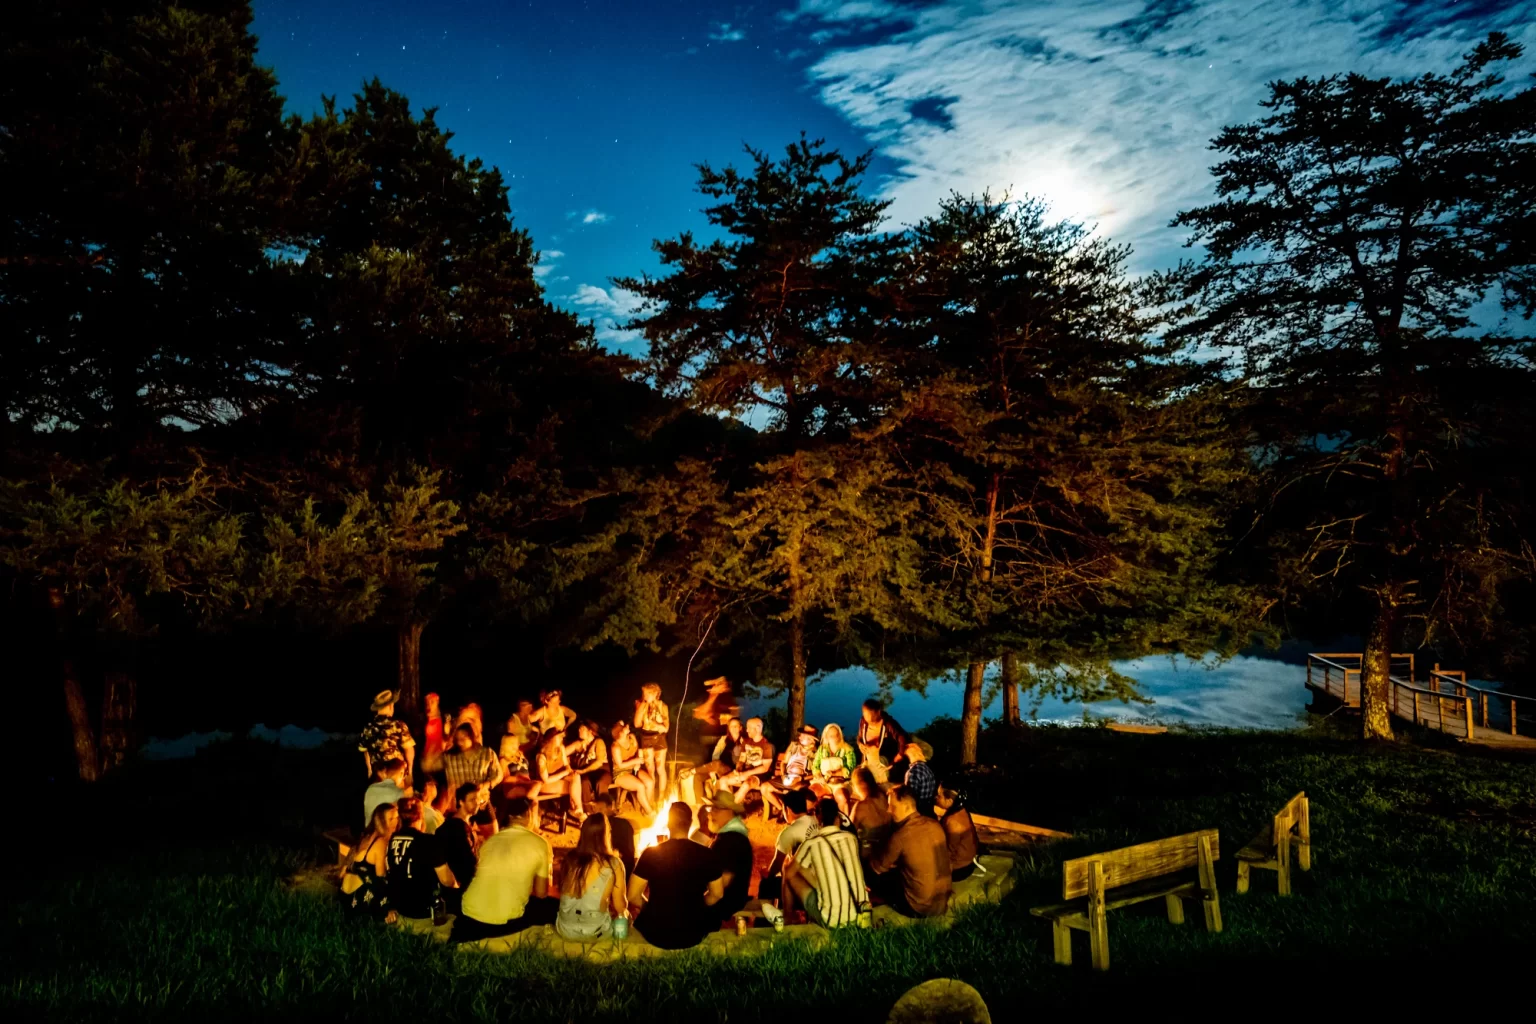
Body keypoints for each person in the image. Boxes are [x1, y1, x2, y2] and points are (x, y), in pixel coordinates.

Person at [452, 797, 559, 943]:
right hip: (503, 921)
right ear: (529, 814)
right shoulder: (540, 843)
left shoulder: (490, 841)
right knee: (554, 906)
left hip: (469, 913)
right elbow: (541, 893)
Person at [629, 802, 726, 950]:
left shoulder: (651, 854)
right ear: (690, 823)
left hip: (657, 932)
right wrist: (698, 905)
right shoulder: (707, 854)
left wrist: (650, 908)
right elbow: (717, 894)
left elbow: (632, 895)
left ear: (668, 824)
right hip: (693, 932)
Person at [869, 785, 952, 918]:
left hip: (919, 908)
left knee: (874, 876)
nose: (888, 810)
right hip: (942, 902)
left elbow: (878, 867)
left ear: (906, 807)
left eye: (892, 806)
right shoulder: (935, 824)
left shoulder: (901, 836)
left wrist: (871, 850)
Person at [784, 797, 867, 928]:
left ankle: (787, 917)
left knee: (790, 869)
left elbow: (789, 874)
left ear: (818, 819)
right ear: (838, 817)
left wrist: (791, 862)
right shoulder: (852, 839)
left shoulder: (811, 844)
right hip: (860, 914)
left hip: (831, 921)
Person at [555, 813, 629, 941]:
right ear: (606, 835)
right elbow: (620, 906)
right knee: (623, 916)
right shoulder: (614, 864)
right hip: (596, 932)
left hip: (565, 929)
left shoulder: (569, 859)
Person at [386, 797, 458, 921]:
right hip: (423, 910)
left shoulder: (393, 840)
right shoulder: (429, 841)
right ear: (421, 816)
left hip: (401, 907)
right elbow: (447, 880)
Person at [703, 790, 754, 924]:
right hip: (733, 897)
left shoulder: (729, 841)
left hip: (726, 902)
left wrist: (700, 903)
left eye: (716, 809)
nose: (711, 814)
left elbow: (722, 885)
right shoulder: (732, 835)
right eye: (711, 808)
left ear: (730, 811)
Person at [342, 802, 399, 921]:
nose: (396, 821)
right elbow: (380, 878)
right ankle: (383, 915)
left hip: (345, 896)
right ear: (381, 822)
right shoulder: (381, 842)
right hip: (358, 898)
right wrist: (386, 909)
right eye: (391, 819)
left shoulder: (367, 836)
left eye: (397, 817)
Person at [759, 787, 815, 904]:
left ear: (787, 809)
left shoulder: (789, 832)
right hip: (823, 878)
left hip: (805, 884)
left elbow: (777, 864)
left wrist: (768, 876)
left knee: (766, 884)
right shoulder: (816, 820)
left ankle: (765, 914)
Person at [437, 782, 483, 901]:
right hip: (463, 890)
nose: (477, 802)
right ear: (461, 802)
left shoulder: (459, 825)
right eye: (472, 800)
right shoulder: (458, 828)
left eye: (478, 799)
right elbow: (470, 860)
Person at [761, 725, 817, 819]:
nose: (800, 737)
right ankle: (782, 810)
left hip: (802, 780)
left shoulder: (815, 753)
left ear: (811, 739)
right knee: (764, 787)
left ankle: (792, 813)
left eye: (803, 735)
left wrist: (801, 778)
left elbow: (816, 773)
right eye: (801, 734)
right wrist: (783, 775)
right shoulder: (793, 746)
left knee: (794, 790)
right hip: (788, 776)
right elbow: (783, 762)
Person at [717, 716, 775, 806]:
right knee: (723, 780)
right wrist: (738, 770)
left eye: (749, 728)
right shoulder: (746, 742)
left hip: (759, 776)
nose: (746, 730)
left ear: (757, 728)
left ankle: (729, 806)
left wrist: (747, 773)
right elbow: (742, 759)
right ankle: (734, 806)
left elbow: (765, 768)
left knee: (746, 785)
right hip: (744, 773)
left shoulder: (767, 746)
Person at [359, 690, 415, 782]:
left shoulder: (367, 728)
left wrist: (369, 769)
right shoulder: (398, 725)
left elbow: (365, 751)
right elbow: (409, 749)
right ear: (390, 706)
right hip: (397, 774)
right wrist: (410, 770)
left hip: (378, 775)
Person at [531, 726, 583, 821]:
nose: (562, 738)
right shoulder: (541, 756)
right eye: (560, 737)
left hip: (559, 779)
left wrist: (570, 771)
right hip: (544, 784)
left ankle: (578, 809)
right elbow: (546, 779)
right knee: (573, 788)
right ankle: (575, 810)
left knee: (576, 777)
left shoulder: (561, 749)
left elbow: (566, 765)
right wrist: (564, 773)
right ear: (553, 739)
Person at [633, 682, 670, 804]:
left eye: (648, 693)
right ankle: (651, 798)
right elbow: (637, 724)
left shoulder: (662, 706)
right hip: (646, 738)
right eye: (644, 693)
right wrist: (641, 708)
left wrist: (656, 724)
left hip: (659, 738)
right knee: (650, 770)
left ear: (655, 693)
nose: (645, 695)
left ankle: (661, 798)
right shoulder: (640, 704)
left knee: (660, 768)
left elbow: (666, 728)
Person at [693, 716, 744, 804]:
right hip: (718, 768)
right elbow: (716, 754)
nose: (733, 728)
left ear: (740, 728)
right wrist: (712, 770)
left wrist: (715, 767)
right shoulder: (724, 739)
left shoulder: (744, 741)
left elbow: (742, 760)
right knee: (698, 777)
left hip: (731, 770)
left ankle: (717, 803)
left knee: (717, 765)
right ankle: (699, 805)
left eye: (736, 726)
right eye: (731, 726)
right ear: (728, 728)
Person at [442, 723, 504, 795]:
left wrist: (486, 785)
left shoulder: (486, 753)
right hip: (458, 799)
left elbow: (498, 774)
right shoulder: (449, 757)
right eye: (458, 739)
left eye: (463, 738)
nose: (460, 742)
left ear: (471, 736)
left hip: (480, 796)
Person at [607, 721, 654, 815]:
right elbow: (620, 765)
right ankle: (650, 812)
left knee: (650, 782)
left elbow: (638, 750)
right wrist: (635, 761)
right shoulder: (615, 746)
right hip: (621, 773)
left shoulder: (631, 737)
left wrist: (638, 761)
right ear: (619, 733)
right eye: (623, 727)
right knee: (640, 786)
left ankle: (645, 808)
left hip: (634, 769)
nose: (626, 726)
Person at [936, 783, 981, 882]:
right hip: (967, 862)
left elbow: (949, 852)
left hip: (960, 869)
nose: (936, 798)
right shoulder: (961, 810)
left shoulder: (953, 822)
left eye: (939, 796)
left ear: (949, 800)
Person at [811, 722, 859, 812]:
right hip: (824, 782)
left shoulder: (848, 749)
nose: (833, 737)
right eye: (831, 736)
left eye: (836, 735)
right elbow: (815, 766)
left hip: (841, 783)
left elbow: (850, 768)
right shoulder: (822, 749)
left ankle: (844, 819)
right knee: (812, 793)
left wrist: (834, 773)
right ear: (826, 736)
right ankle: (815, 817)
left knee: (842, 797)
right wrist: (819, 776)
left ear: (840, 735)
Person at [589, 792, 637, 881]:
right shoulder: (594, 825)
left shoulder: (622, 825)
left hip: (617, 869)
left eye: (601, 809)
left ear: (610, 807)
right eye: (596, 809)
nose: (598, 812)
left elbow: (628, 854)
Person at [856, 700, 907, 784]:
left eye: (871, 715)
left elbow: (901, 737)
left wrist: (900, 755)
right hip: (868, 760)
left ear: (878, 712)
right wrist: (860, 744)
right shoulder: (863, 722)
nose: (868, 718)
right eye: (865, 715)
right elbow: (859, 737)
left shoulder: (888, 724)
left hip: (884, 762)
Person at [848, 766, 893, 857]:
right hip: (888, 848)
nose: (853, 787)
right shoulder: (883, 795)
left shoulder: (860, 806)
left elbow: (848, 833)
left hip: (870, 855)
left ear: (862, 784)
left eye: (854, 784)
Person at [568, 719, 610, 806]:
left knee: (601, 782)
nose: (579, 730)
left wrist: (584, 771)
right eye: (579, 728)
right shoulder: (578, 744)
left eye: (582, 729)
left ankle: (604, 809)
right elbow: (562, 753)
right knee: (584, 782)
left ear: (590, 731)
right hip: (586, 773)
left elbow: (599, 762)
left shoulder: (598, 742)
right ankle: (587, 810)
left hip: (601, 770)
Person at [363, 758, 410, 830]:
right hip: (379, 831)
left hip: (372, 829)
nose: (402, 778)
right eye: (402, 774)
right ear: (400, 773)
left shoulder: (374, 787)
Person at [902, 739, 939, 816]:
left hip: (918, 811)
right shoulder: (927, 769)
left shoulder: (913, 772)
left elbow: (911, 797)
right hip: (928, 809)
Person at [421, 692, 447, 784]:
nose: (429, 705)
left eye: (432, 702)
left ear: (437, 701)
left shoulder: (444, 720)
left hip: (438, 761)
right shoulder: (423, 720)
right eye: (427, 702)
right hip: (427, 761)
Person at [497, 712, 532, 780]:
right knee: (537, 784)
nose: (517, 744)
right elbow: (505, 779)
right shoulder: (503, 760)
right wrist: (521, 780)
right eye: (513, 743)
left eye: (517, 743)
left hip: (527, 781)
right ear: (507, 745)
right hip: (516, 783)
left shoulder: (520, 753)